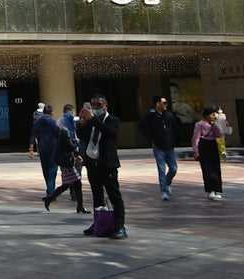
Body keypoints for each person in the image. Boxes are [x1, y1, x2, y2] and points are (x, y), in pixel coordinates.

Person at [78, 95, 126, 239]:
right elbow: (82, 136)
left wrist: (92, 119)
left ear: (106, 106)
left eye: (98, 105)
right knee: (97, 196)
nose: (95, 108)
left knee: (114, 196)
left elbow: (109, 132)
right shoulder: (91, 122)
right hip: (93, 165)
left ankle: (120, 226)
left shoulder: (113, 121)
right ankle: (98, 223)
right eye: (93, 105)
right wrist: (82, 123)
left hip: (107, 164)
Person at [137, 95, 180, 200]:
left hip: (170, 146)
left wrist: (174, 139)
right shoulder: (151, 116)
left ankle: (167, 182)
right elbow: (141, 127)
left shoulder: (169, 115)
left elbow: (175, 127)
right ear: (157, 104)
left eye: (166, 103)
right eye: (163, 103)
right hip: (158, 146)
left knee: (173, 168)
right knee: (161, 169)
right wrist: (150, 136)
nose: (166, 105)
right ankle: (164, 191)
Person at [44, 126, 89, 214]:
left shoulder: (63, 132)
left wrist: (76, 155)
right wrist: (77, 142)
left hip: (64, 162)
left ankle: (79, 205)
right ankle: (79, 206)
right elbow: (71, 146)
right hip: (67, 163)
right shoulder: (66, 132)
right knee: (75, 183)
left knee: (69, 184)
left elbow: (68, 147)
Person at [193, 107, 225, 201]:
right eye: (212, 114)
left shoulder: (214, 124)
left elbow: (219, 135)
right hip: (204, 145)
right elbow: (196, 138)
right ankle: (210, 190)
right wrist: (196, 151)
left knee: (216, 167)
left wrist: (216, 125)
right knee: (207, 169)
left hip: (213, 145)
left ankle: (217, 189)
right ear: (206, 116)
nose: (214, 116)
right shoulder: (200, 124)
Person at [30, 104, 59, 196]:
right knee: (52, 171)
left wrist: (31, 149)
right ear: (52, 113)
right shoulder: (54, 122)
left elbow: (33, 136)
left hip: (42, 149)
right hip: (53, 149)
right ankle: (51, 192)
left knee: (46, 171)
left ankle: (49, 190)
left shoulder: (37, 123)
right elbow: (59, 135)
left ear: (43, 112)